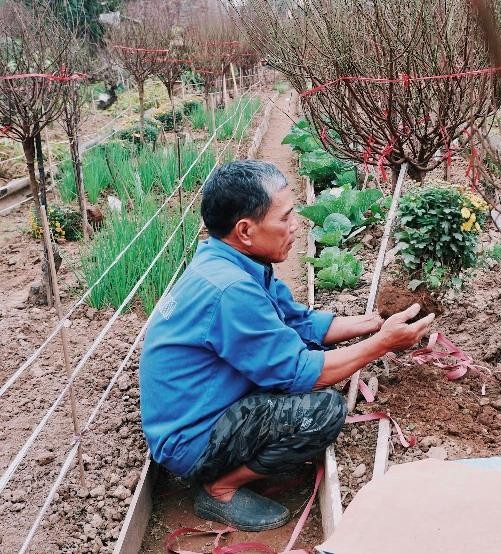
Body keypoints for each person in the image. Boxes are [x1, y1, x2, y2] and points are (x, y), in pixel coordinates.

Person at [139, 160, 434, 531]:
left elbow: (297, 320)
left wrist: (372, 323)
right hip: (192, 440)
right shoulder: (232, 291)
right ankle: (219, 488)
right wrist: (382, 344)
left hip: (198, 411)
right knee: (323, 410)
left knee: (311, 371)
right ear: (245, 230)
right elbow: (302, 374)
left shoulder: (231, 262)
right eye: (285, 218)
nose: (296, 226)